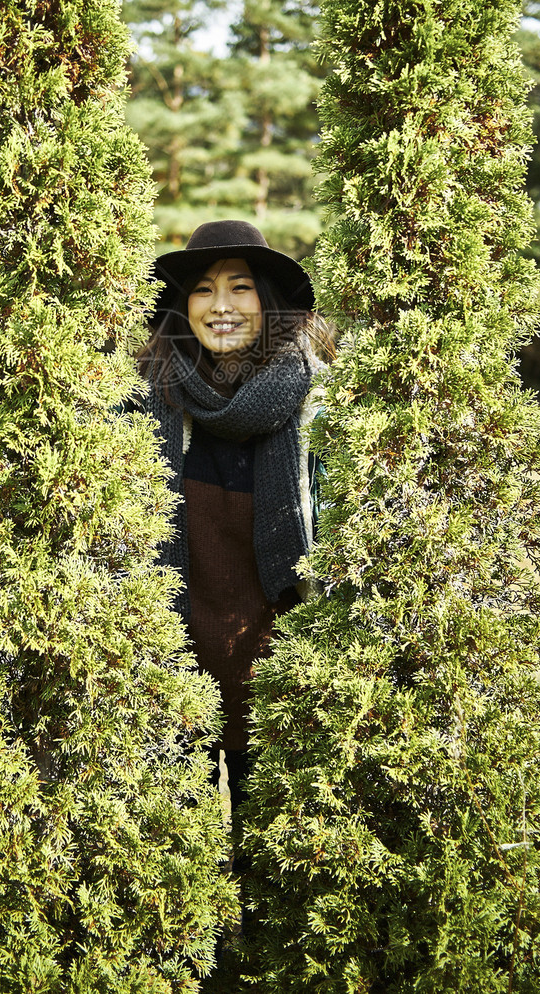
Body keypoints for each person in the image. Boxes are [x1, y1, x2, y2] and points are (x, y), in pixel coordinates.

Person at [137, 219, 333, 812]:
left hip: (280, 675)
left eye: (240, 287)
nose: (221, 306)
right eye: (203, 289)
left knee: (280, 864)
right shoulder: (145, 398)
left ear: (268, 302)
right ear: (181, 305)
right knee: (176, 862)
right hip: (171, 675)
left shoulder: (322, 404)